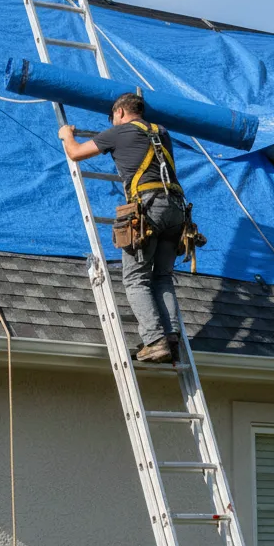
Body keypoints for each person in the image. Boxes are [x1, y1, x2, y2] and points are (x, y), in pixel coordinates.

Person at [58, 93, 186, 364]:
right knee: (162, 277)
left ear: (119, 113)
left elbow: (76, 153)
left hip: (149, 209)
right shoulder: (161, 132)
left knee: (136, 278)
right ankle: (171, 337)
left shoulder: (118, 132)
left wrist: (66, 133)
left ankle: (154, 340)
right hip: (177, 209)